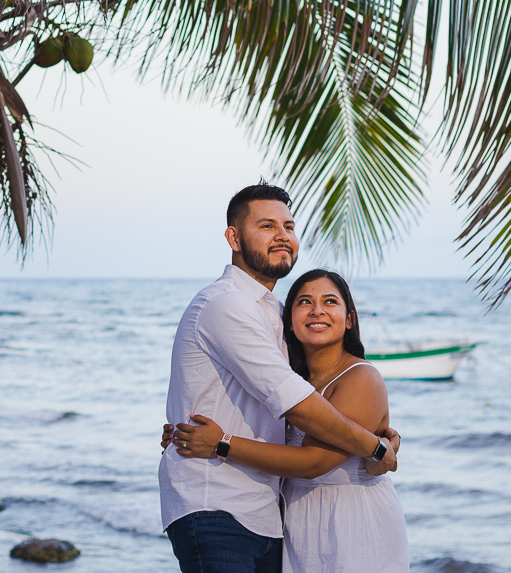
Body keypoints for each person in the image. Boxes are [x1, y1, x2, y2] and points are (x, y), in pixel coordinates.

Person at [159, 183, 399, 573]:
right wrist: (373, 446)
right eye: (267, 226)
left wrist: (381, 432)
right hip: (217, 505)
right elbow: (298, 406)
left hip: (269, 515)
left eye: (288, 226)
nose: (282, 236)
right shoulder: (228, 304)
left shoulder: (271, 314)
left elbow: (318, 408)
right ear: (233, 238)